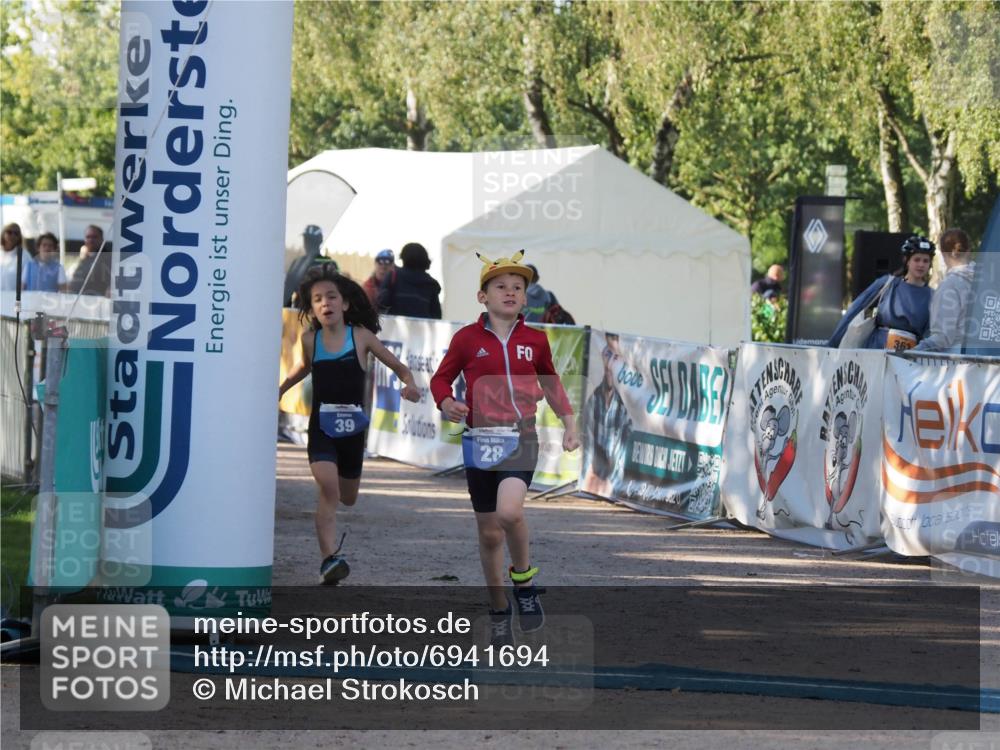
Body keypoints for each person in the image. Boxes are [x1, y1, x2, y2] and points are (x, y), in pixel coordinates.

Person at [430, 250, 580, 646]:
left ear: (526, 298)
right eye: (501, 286)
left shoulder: (536, 339)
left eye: (518, 287)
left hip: (521, 438)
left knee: (509, 511)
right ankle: (499, 608)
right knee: (489, 534)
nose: (510, 292)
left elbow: (551, 384)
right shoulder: (466, 339)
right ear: (483, 297)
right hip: (480, 441)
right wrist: (446, 402)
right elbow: (440, 380)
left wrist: (570, 424)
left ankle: (525, 583)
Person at [279, 264, 419, 585]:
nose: (325, 303)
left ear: (344, 304)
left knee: (347, 496)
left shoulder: (361, 337)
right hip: (322, 428)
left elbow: (400, 368)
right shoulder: (310, 339)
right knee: (327, 487)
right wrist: (279, 390)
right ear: (312, 308)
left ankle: (331, 551)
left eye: (331, 297)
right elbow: (303, 368)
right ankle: (329, 560)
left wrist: (408, 384)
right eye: (317, 299)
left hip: (353, 430)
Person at [828, 235, 935, 350]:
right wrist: (833, 344)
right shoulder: (888, 284)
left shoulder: (932, 296)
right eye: (917, 259)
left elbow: (930, 332)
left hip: (908, 358)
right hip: (876, 351)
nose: (921, 265)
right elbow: (859, 310)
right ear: (907, 261)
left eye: (925, 261)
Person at [580, 333, 633, 498]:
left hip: (611, 489)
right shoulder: (594, 401)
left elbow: (618, 473)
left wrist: (608, 486)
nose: (610, 363)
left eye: (616, 357)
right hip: (594, 486)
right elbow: (587, 457)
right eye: (608, 354)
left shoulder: (625, 408)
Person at [914, 229, 977, 353]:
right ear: (969, 250)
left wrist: (910, 353)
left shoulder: (950, 286)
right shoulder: (988, 282)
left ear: (943, 254)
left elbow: (941, 338)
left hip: (957, 363)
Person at [378, 242, 441, 319]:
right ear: (425, 259)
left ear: (403, 258)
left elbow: (381, 304)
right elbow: (436, 316)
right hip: (421, 329)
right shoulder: (431, 284)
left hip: (394, 328)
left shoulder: (394, 276)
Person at [68, 224, 111, 296]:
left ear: (101, 239)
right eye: (88, 237)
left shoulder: (107, 258)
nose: (91, 240)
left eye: (94, 237)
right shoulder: (84, 257)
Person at [1, 223, 25, 292]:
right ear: (3, 234)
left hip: (13, 299)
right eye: (9, 232)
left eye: (16, 233)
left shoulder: (24, 256)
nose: (12, 235)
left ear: (19, 237)